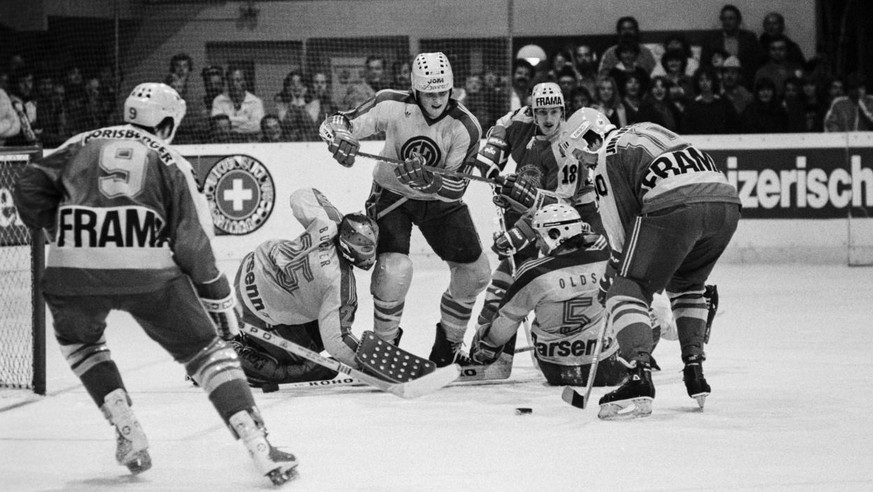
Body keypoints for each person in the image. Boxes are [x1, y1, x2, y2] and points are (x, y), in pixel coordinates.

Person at [11, 82, 297, 484]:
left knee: (81, 344)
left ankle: (127, 430)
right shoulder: (171, 159)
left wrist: (60, 229)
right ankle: (259, 445)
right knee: (207, 355)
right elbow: (193, 245)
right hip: (148, 273)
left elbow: (26, 184)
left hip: (71, 270)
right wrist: (218, 300)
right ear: (165, 124)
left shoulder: (78, 142)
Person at [558, 107, 740, 419]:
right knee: (687, 285)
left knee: (625, 291)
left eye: (581, 156)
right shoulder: (642, 130)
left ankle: (638, 375)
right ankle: (694, 371)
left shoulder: (604, 155)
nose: (586, 167)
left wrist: (613, 279)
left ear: (588, 140)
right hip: (726, 202)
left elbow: (621, 238)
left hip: (677, 203)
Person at [319, 52, 489, 366]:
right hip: (392, 195)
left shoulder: (466, 126)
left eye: (443, 92)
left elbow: (457, 189)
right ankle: (383, 349)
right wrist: (338, 138)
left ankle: (447, 348)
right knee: (393, 271)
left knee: (475, 274)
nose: (437, 100)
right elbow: (337, 122)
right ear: (415, 89)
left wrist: (431, 183)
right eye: (429, 92)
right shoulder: (392, 103)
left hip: (439, 203)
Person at [472, 82, 603, 344]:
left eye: (554, 112)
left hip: (577, 210)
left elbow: (561, 208)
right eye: (541, 113)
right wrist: (492, 151)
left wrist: (521, 232)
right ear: (532, 112)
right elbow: (502, 124)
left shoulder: (568, 146)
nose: (548, 119)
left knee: (595, 266)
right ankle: (488, 331)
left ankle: (610, 326)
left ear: (562, 112)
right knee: (516, 265)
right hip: (534, 203)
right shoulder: (520, 119)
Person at [231, 187, 378, 387]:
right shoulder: (339, 281)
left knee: (320, 327)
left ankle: (253, 341)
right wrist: (368, 367)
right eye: (364, 247)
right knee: (307, 359)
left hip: (253, 264)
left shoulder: (329, 222)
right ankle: (228, 356)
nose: (370, 254)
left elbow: (300, 195)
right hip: (257, 305)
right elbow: (336, 340)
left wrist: (331, 212)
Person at [469, 203, 626, 386]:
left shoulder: (533, 273)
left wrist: (486, 346)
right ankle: (639, 361)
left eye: (539, 237)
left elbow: (506, 321)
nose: (537, 243)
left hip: (555, 370)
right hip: (608, 364)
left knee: (506, 318)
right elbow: (595, 237)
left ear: (554, 235)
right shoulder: (605, 256)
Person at [211, 65, 265, 138]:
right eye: (231, 80)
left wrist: (235, 130)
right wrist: (246, 120)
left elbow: (258, 126)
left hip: (250, 143)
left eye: (238, 80)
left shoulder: (256, 101)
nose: (234, 84)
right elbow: (217, 124)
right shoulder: (218, 100)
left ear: (245, 82)